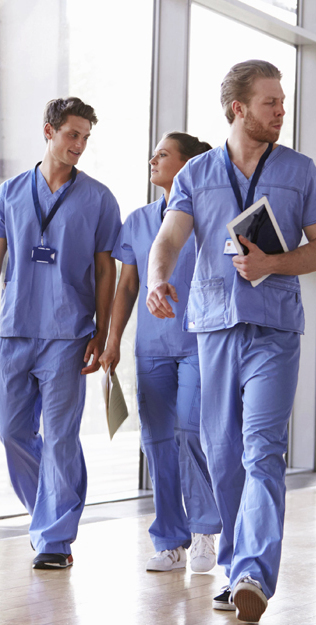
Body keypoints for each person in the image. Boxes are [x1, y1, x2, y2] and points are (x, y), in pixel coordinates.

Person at [146, 60, 316, 623]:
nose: (282, 111)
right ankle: (235, 568)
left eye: (282, 102)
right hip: (213, 328)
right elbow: (168, 239)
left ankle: (253, 569)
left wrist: (274, 262)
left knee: (262, 450)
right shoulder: (196, 174)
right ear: (239, 109)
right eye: (271, 102)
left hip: (275, 330)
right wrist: (158, 278)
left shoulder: (300, 172)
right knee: (224, 455)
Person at [0, 97, 121, 570]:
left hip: (69, 333)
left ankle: (55, 538)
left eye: (86, 138)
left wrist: (102, 329)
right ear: (49, 132)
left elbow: (105, 270)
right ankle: (46, 514)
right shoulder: (11, 192)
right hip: (15, 329)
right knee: (12, 430)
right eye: (72, 134)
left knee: (59, 437)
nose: (79, 145)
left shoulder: (98, 198)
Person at [99, 132, 222, 574]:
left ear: (189, 165)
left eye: (164, 154)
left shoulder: (209, 218)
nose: (153, 158)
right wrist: (113, 340)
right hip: (151, 348)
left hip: (199, 342)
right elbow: (127, 285)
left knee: (190, 431)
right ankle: (171, 539)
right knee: (156, 442)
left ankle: (206, 529)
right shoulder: (137, 220)